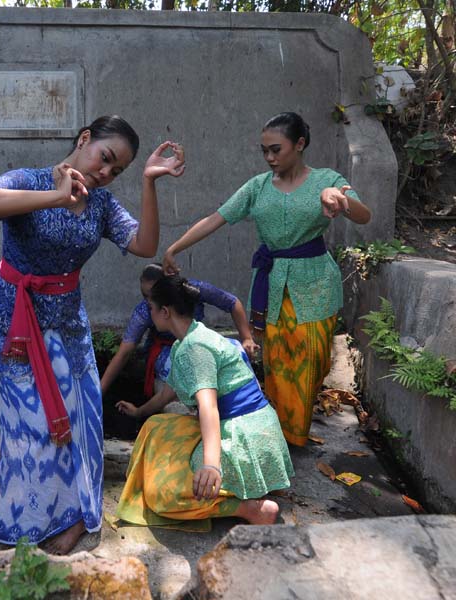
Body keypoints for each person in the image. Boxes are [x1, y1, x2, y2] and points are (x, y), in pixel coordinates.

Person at [0, 115, 185, 554]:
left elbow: (143, 245)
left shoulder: (100, 204)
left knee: (79, 420)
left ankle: (75, 515)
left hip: (67, 323)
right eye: (106, 158)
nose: (106, 172)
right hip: (14, 321)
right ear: (85, 140)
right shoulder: (31, 180)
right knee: (31, 428)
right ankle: (28, 521)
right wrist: (53, 197)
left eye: (117, 169)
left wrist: (149, 183)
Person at [163, 112, 371, 446]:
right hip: (273, 285)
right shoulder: (256, 187)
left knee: (313, 362)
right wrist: (175, 248)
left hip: (315, 284)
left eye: (277, 149)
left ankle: (290, 429)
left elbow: (364, 214)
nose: (270, 158)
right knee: (278, 364)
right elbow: (216, 218)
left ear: (300, 145)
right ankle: (286, 437)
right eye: (265, 152)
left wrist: (340, 199)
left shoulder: (326, 180)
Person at [115, 275, 294, 530]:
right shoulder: (188, 340)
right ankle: (241, 487)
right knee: (155, 425)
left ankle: (249, 508)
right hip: (239, 424)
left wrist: (211, 465)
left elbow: (208, 406)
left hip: (244, 433)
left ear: (165, 312)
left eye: (151, 307)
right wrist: (139, 412)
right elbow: (168, 394)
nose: (148, 312)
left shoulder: (195, 348)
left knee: (163, 495)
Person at [101, 262, 258, 413]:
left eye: (152, 297)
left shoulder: (189, 293)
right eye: (145, 297)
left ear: (165, 309)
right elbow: (124, 354)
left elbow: (208, 410)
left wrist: (247, 338)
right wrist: (99, 395)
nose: (148, 302)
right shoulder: (177, 346)